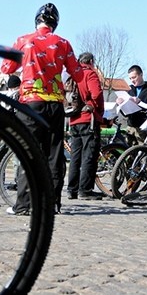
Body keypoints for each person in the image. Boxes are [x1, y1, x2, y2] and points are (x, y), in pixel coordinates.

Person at [0, 2, 82, 215]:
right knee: (55, 155)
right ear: (55, 23)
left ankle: (25, 204)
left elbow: (6, 67)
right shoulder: (63, 43)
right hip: (55, 105)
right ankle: (52, 203)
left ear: (37, 20)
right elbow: (79, 74)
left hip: (30, 103)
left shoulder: (24, 40)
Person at [66, 52, 105, 200]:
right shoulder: (90, 74)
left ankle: (72, 189)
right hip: (88, 119)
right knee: (89, 155)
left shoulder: (73, 75)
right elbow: (96, 94)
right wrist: (98, 111)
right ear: (91, 61)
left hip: (74, 120)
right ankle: (85, 190)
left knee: (75, 157)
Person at [117, 65, 147, 140]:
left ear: (141, 75)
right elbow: (126, 114)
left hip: (143, 128)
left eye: (134, 77)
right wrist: (121, 105)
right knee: (128, 150)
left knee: (143, 150)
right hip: (130, 127)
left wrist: (139, 103)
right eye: (130, 78)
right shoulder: (130, 91)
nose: (132, 80)